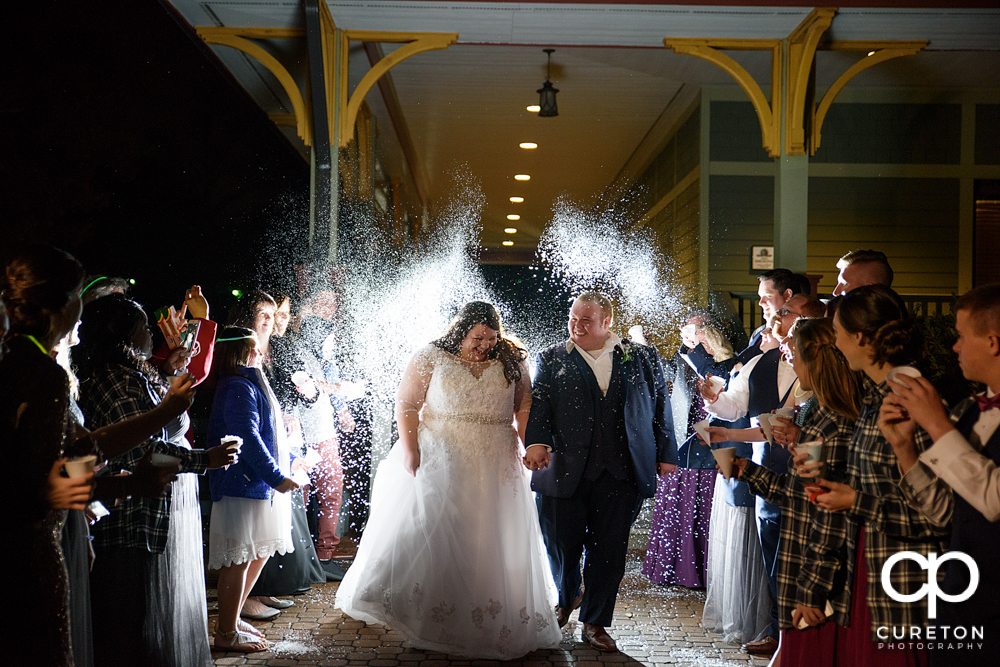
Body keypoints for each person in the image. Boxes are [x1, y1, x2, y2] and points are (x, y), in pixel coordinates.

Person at [337, 301, 561, 659]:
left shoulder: (513, 359)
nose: (484, 345)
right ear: (462, 329)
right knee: (435, 527)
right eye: (478, 337)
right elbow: (407, 402)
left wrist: (528, 443)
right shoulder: (431, 355)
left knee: (490, 533)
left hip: (496, 458)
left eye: (491, 337)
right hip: (441, 454)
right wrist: (410, 450)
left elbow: (524, 404)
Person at [75, 293, 235, 667]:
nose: (152, 333)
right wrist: (205, 459)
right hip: (131, 516)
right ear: (127, 336)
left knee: (155, 612)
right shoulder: (116, 381)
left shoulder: (134, 374)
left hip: (155, 504)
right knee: (134, 623)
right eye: (145, 326)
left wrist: (165, 377)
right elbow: (139, 452)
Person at [525, 292, 678, 652]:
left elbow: (660, 404)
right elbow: (540, 406)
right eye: (573, 318)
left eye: (585, 320)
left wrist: (666, 453)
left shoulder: (640, 356)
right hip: (563, 469)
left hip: (622, 470)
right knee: (560, 542)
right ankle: (567, 595)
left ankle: (595, 621)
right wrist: (536, 443)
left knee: (609, 549)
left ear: (607, 323)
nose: (576, 326)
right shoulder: (551, 357)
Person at [807, 284, 948, 664]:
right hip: (869, 573)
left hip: (905, 582)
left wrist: (855, 500)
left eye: (837, 334)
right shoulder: (874, 399)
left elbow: (939, 517)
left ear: (861, 337)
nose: (834, 345)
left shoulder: (913, 403)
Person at [729, 317, 865, 666]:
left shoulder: (831, 421)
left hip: (814, 582)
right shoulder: (815, 412)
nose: (789, 361)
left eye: (796, 355)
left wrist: (812, 590)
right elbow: (797, 494)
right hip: (801, 574)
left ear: (815, 361)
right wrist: (747, 471)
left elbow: (825, 512)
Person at [702, 294, 826, 657]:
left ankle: (797, 640)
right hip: (774, 479)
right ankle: (781, 635)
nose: (784, 346)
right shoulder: (762, 365)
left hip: (810, 497)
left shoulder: (822, 400)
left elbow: (807, 473)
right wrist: (718, 411)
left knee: (802, 563)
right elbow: (744, 413)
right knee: (776, 563)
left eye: (793, 343)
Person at [883, 283, 1000, 666]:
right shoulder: (971, 409)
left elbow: (994, 500)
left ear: (993, 342)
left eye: (962, 336)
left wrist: (936, 424)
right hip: (959, 597)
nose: (955, 347)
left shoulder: (953, 416)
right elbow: (947, 513)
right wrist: (905, 449)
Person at [1, 244, 91, 667]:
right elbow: (41, 485)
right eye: (76, 294)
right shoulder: (46, 376)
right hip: (32, 552)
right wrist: (89, 465)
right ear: (60, 306)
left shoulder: (11, 358)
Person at [207, 326, 299, 653]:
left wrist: (292, 462)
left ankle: (229, 620)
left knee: (258, 552)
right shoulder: (236, 385)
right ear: (242, 353)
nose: (262, 351)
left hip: (257, 485)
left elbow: (272, 433)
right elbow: (247, 438)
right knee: (239, 559)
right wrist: (277, 477)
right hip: (241, 485)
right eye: (254, 348)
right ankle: (226, 633)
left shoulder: (250, 382)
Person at [248, 290, 326, 609]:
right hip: (263, 435)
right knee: (261, 514)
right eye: (273, 315)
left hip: (286, 438)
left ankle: (277, 583)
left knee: (287, 511)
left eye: (282, 315)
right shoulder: (243, 348)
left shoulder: (282, 348)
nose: (280, 322)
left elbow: (304, 390)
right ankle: (253, 591)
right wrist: (282, 414)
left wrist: (308, 392)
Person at [643, 321, 732, 588]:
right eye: (686, 334)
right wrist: (647, 347)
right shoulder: (685, 359)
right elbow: (663, 371)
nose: (688, 339)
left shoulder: (727, 364)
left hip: (712, 445)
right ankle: (674, 569)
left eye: (694, 334)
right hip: (683, 443)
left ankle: (704, 574)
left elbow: (721, 388)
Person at [297, 288, 356, 576]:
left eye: (334, 303)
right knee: (303, 494)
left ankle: (323, 557)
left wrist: (342, 406)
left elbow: (329, 380)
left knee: (331, 491)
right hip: (301, 436)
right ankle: (302, 557)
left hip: (324, 431)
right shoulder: (297, 350)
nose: (331, 307)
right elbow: (319, 385)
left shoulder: (322, 348)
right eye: (325, 302)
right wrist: (342, 398)